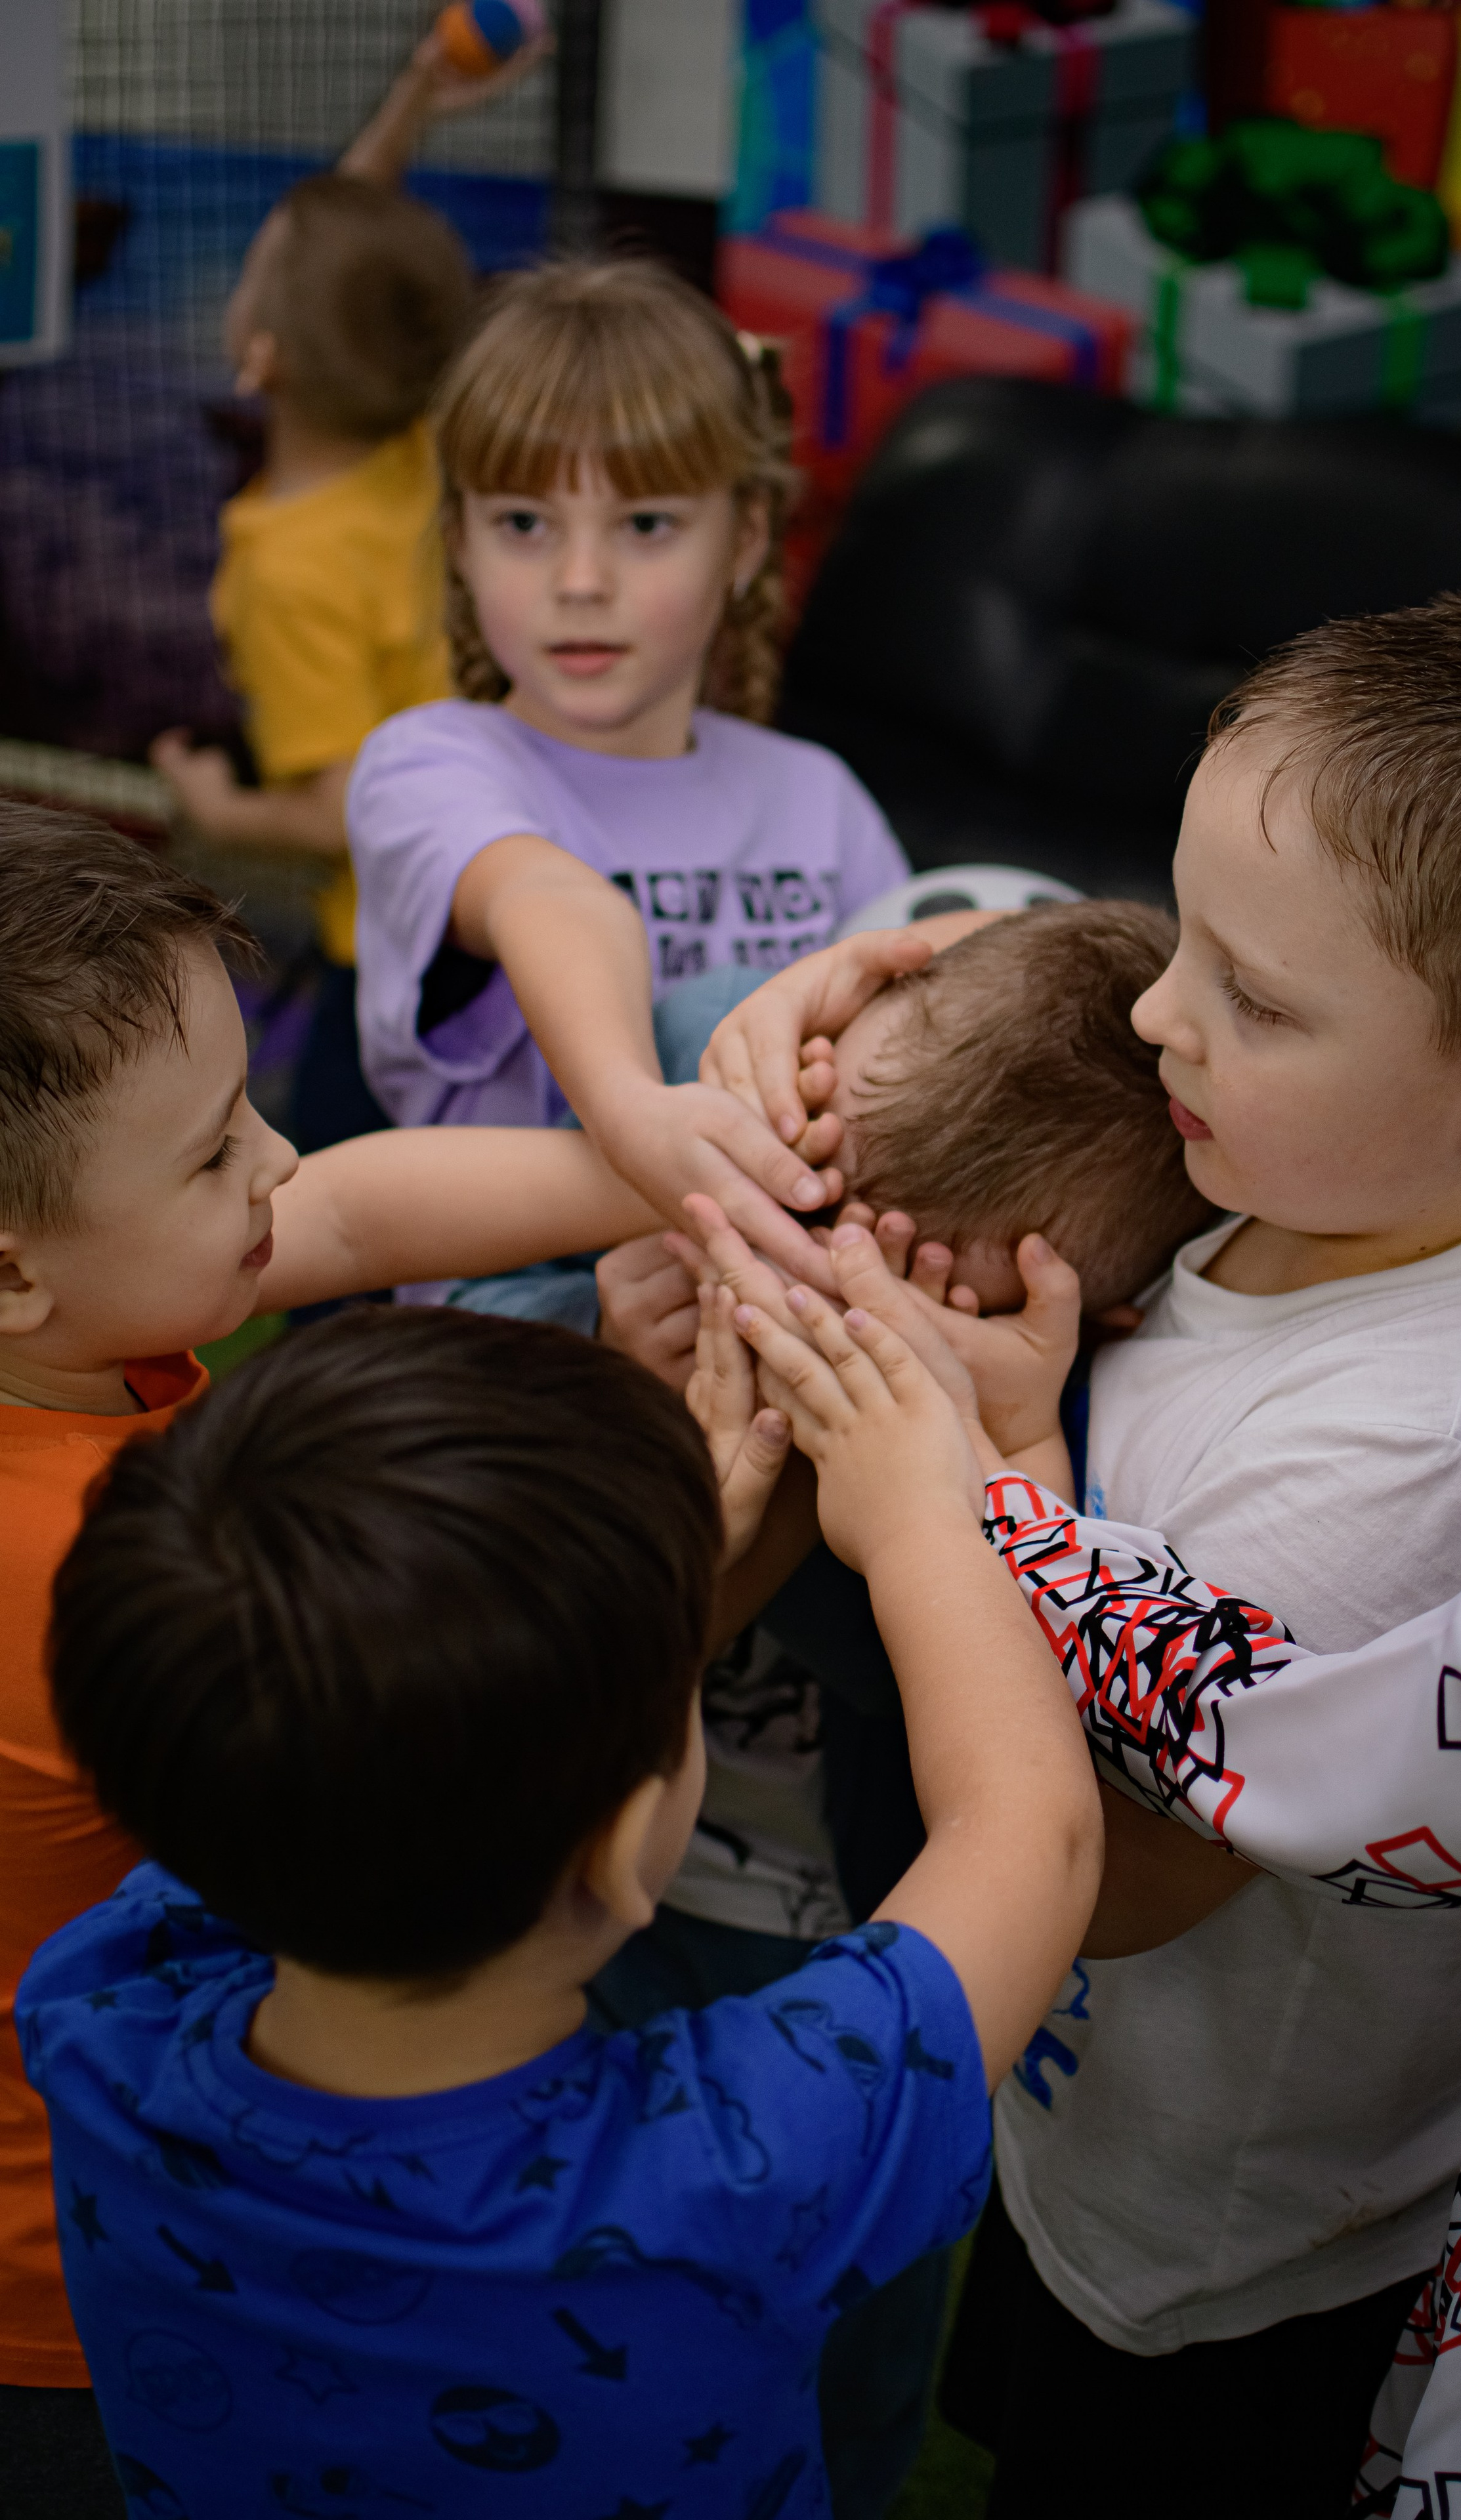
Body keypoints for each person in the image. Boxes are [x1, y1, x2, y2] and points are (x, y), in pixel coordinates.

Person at [688, 578, 1461, 2515]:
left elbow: (1131, 1886)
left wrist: (978, 1486)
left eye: (1253, 995)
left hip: (1221, 2246)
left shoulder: (1420, 1465)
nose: (1161, 1012)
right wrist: (905, 971)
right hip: (1103, 2123)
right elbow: (1102, 975)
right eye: (1185, 935)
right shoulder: (1338, 1153)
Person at [17, 1288, 1103, 2517]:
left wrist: (630, 1606)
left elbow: (395, 1762)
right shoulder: (734, 2170)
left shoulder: (101, 2008)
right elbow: (1034, 1834)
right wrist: (920, 1521)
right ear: (630, 1844)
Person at [0, 803, 666, 2520]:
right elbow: (450, 1754)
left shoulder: (89, 1320)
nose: (285, 1157)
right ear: (13, 1264)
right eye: (220, 1146)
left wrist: (666, 1161)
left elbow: (354, 1218)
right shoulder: (92, 1567)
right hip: (85, 2269)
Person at [592, 902, 1211, 2509]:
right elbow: (551, 1665)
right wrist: (625, 1402)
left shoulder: (1084, 1417)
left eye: (899, 1289)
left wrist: (953, 1484)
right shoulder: (734, 1109)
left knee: (844, 2342)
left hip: (842, 1938)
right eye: (809, 1214)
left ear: (1072, 1322)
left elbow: (1017, 1748)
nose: (805, 1298)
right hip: (605, 1886)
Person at [953, 1254, 1461, 2519]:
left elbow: (1288, 1747)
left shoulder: (1433, 1441)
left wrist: (964, 1499)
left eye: (1271, 1029)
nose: (1164, 1038)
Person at [345, 253, 913, 1294]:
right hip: (501, 1354)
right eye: (524, 523)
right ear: (460, 542)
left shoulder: (819, 800)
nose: (580, 582)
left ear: (742, 539)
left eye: (646, 524)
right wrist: (634, 1116)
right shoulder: (429, 764)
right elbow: (546, 896)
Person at [150, 18, 545, 1152]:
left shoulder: (287, 567)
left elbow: (336, 811)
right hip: (499, 875)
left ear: (261, 357)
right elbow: (343, 259)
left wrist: (221, 812)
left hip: (399, 938)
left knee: (342, 1192)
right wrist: (417, 94)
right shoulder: (414, 433)